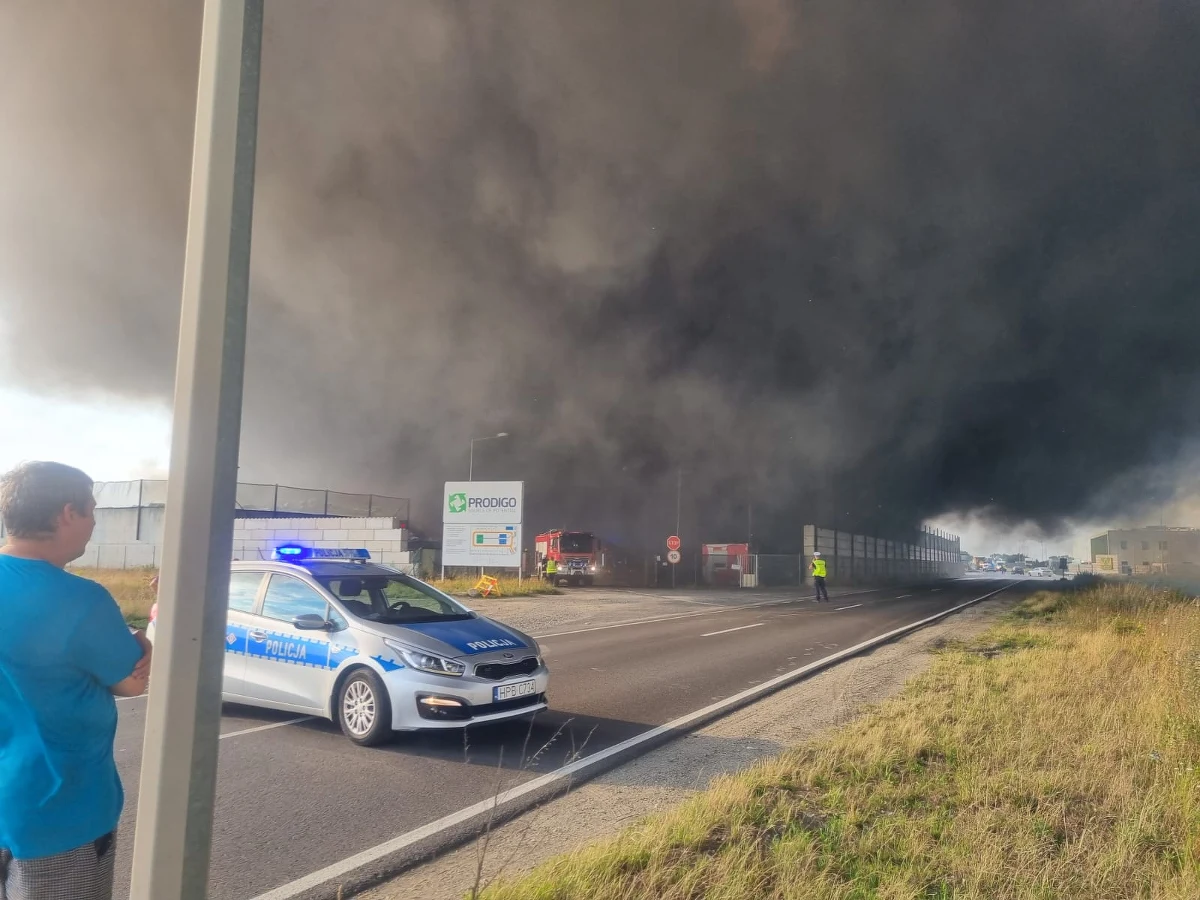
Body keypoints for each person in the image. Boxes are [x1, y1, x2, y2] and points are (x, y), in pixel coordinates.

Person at [0, 462, 150, 900]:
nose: (93, 524)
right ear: (68, 513)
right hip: (61, 813)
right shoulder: (82, 600)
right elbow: (130, 682)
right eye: (92, 512)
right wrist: (146, 646)